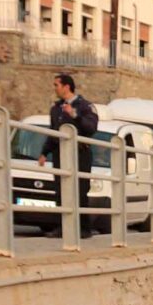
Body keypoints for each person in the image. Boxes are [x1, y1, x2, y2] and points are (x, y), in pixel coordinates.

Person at [47, 73, 100, 230]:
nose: (55, 88)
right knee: (61, 190)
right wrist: (44, 152)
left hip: (79, 154)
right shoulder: (56, 109)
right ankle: (63, 227)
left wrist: (74, 115)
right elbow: (53, 132)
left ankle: (83, 228)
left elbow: (91, 128)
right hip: (60, 154)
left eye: (57, 85)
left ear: (66, 87)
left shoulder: (85, 106)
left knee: (79, 191)